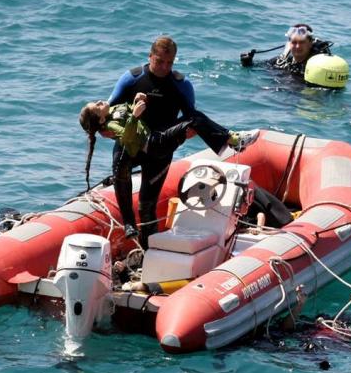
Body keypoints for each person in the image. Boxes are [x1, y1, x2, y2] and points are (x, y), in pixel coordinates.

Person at [99, 35, 257, 248]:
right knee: (120, 170)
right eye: (160, 61)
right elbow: (107, 113)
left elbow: (192, 120)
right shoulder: (132, 78)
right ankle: (128, 223)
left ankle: (148, 252)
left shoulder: (181, 84)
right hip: (132, 141)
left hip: (161, 147)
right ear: (150, 57)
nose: (165, 67)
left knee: (148, 204)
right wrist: (103, 129)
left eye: (170, 62)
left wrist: (187, 133)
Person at [81, 90, 258, 244]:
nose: (99, 101)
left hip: (155, 136)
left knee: (193, 117)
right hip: (154, 145)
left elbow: (129, 112)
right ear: (101, 118)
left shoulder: (112, 110)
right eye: (97, 106)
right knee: (193, 119)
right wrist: (134, 116)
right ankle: (233, 140)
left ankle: (231, 140)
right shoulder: (109, 126)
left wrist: (136, 101)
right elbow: (127, 137)